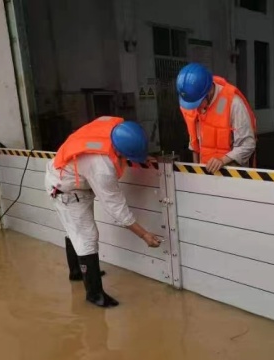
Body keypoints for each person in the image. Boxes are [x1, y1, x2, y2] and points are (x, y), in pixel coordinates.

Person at [45, 116, 161, 308]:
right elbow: (116, 208)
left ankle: (77, 272)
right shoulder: (101, 167)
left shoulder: (115, 129)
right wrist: (145, 235)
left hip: (67, 176)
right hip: (65, 189)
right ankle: (94, 294)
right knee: (87, 237)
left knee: (74, 230)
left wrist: (138, 156)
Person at [176, 63, 257, 173]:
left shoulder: (233, 103)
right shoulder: (191, 105)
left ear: (209, 92)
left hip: (232, 174)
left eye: (198, 103)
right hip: (205, 173)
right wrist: (196, 173)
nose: (196, 109)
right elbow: (194, 143)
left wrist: (222, 161)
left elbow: (248, 144)